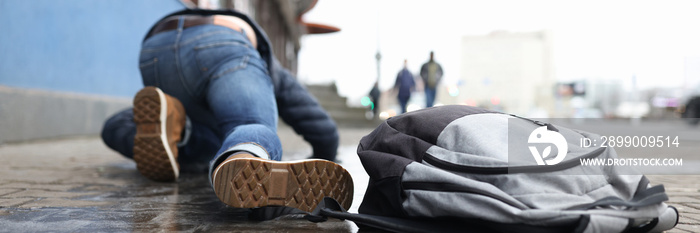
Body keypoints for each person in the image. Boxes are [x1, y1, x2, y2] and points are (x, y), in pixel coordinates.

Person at [100, 8, 353, 213]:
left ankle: (178, 126)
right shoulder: (268, 63)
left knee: (118, 126)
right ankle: (244, 155)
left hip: (155, 50)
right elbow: (320, 126)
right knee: (250, 123)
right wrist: (326, 154)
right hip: (224, 44)